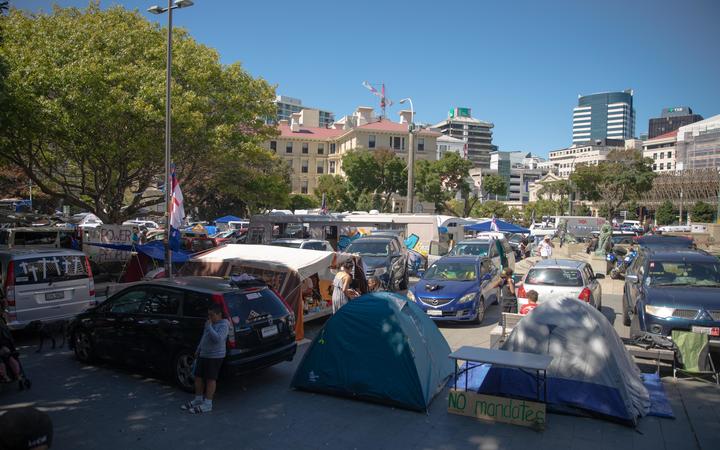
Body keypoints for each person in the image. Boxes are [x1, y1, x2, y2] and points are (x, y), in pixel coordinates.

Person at [181, 304, 229, 414]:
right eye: (208, 315)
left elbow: (218, 339)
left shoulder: (224, 325)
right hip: (204, 354)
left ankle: (208, 404)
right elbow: (204, 336)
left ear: (219, 314)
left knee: (210, 379)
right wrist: (198, 349)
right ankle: (198, 399)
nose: (210, 317)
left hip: (215, 356)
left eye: (212, 315)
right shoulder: (210, 323)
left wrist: (209, 327)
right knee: (198, 377)